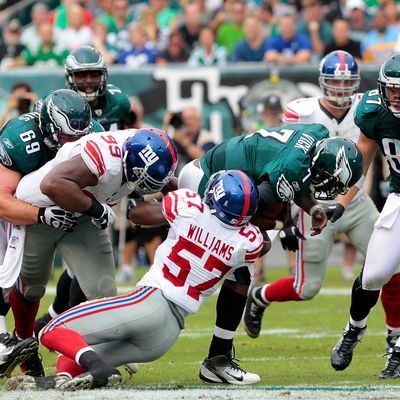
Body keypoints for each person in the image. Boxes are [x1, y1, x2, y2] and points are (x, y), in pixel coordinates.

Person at [6, 170, 264, 390]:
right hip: (167, 334)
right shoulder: (248, 242)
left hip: (150, 302)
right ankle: (61, 379)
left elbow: (140, 215)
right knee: (79, 357)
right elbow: (255, 241)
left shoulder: (189, 206)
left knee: (50, 330)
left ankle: (99, 371)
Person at [177, 122, 363, 383]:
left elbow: (291, 175)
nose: (334, 191)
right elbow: (249, 209)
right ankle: (209, 356)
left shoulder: (317, 133)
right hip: (208, 180)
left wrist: (311, 208)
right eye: (333, 183)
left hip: (210, 173)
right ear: (322, 167)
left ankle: (217, 358)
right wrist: (279, 224)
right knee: (229, 262)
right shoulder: (291, 170)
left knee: (240, 268)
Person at [5, 126, 177, 379]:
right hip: (42, 209)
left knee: (103, 291)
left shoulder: (145, 151)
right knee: (32, 287)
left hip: (84, 215)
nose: (146, 187)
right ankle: (24, 345)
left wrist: (188, 209)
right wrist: (96, 210)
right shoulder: (103, 157)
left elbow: (166, 186)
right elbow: (52, 184)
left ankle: (91, 357)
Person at [243, 50, 380, 340]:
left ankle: (394, 336)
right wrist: (289, 215)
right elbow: (288, 163)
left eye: (347, 83)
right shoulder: (301, 112)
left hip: (355, 202)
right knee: (306, 288)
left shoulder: (366, 108)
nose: (342, 89)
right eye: (335, 82)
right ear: (322, 81)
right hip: (313, 207)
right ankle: (260, 296)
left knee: (391, 265)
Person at [0, 89, 101, 378]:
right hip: (23, 210)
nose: (75, 145)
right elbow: (2, 199)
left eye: (80, 137)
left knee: (99, 287)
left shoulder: (94, 134)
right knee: (12, 279)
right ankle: (17, 344)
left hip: (74, 212)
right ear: (48, 127)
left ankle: (86, 355)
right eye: (67, 138)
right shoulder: (21, 137)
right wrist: (41, 214)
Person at [34, 45, 132, 334]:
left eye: (93, 74)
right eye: (82, 75)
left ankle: (52, 322)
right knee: (47, 273)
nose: (88, 80)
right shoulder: (55, 104)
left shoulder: (119, 103)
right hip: (65, 187)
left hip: (104, 185)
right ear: (69, 77)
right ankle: (49, 324)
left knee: (81, 267)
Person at [330, 52, 400, 379]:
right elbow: (360, 168)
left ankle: (398, 348)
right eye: (393, 89)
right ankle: (353, 330)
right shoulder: (374, 113)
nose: (397, 96)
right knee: (373, 275)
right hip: (398, 198)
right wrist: (340, 205)